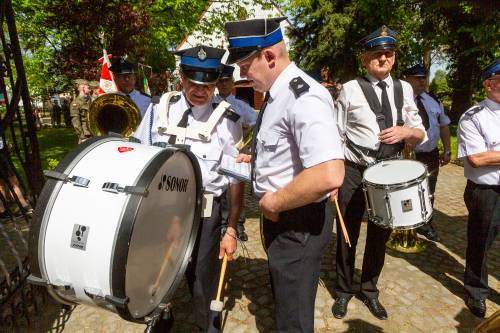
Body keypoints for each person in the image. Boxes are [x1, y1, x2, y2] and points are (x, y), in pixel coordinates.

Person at [225, 17, 345, 332]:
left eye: (244, 64)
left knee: (293, 319)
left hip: (297, 223)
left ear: (269, 56)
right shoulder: (279, 94)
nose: (240, 73)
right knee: (286, 305)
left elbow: (330, 173)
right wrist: (253, 159)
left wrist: (273, 203)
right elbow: (288, 150)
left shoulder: (303, 95)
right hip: (284, 220)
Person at [134, 45, 244, 332]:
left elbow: (235, 179)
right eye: (193, 82)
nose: (200, 90)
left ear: (216, 82)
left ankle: (207, 324)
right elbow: (139, 156)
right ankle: (160, 313)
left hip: (205, 211)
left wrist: (231, 228)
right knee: (158, 267)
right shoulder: (158, 110)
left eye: (207, 84)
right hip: (160, 208)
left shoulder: (228, 121)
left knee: (202, 277)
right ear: (181, 76)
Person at [333, 26, 426, 321]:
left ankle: (370, 290)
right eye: (376, 54)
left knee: (379, 236)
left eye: (388, 53)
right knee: (348, 235)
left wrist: (405, 131)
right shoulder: (349, 88)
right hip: (354, 170)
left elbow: (421, 133)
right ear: (365, 58)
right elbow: (335, 134)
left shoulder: (404, 89)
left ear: (394, 57)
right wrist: (334, 177)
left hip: (389, 172)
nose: (383, 58)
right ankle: (344, 290)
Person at [457, 58, 500, 318]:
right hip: (487, 193)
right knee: (480, 244)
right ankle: (476, 291)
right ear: (489, 84)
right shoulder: (474, 116)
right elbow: (477, 158)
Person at [404, 63, 452, 242]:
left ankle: (425, 223)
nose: (422, 81)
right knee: (407, 191)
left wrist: (447, 149)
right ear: (406, 79)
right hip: (407, 155)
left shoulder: (433, 100)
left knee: (429, 190)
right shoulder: (399, 99)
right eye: (417, 78)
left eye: (424, 77)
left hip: (430, 153)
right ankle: (405, 224)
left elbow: (444, 125)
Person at [215, 64, 257, 241]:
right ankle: (222, 225)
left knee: (237, 192)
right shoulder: (211, 103)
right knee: (221, 191)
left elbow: (254, 124)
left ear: (232, 82)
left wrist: (246, 143)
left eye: (227, 81)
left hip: (235, 156)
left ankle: (238, 225)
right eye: (220, 81)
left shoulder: (241, 105)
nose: (223, 85)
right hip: (217, 155)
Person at [0, 135, 33, 220]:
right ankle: (24, 207)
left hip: (2, 152)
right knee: (13, 183)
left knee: (3, 185)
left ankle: (3, 212)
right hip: (1, 154)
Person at [70, 79, 92, 144]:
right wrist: (82, 137)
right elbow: (76, 122)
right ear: (82, 88)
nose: (90, 89)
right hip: (86, 136)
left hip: (95, 133)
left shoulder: (91, 100)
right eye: (88, 87)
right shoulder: (75, 103)